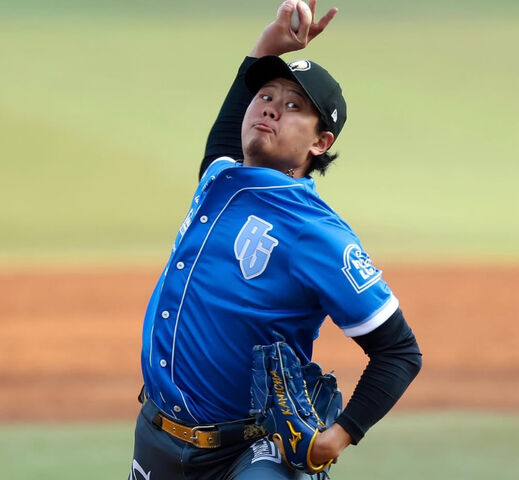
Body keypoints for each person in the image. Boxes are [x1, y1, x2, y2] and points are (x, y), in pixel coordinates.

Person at [129, 1, 422, 479]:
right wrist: (269, 44)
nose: (269, 108)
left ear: (320, 143)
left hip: (251, 454)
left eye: (293, 107)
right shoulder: (220, 180)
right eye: (265, 96)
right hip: (156, 440)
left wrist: (338, 436)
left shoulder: (316, 233)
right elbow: (227, 133)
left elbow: (399, 351)